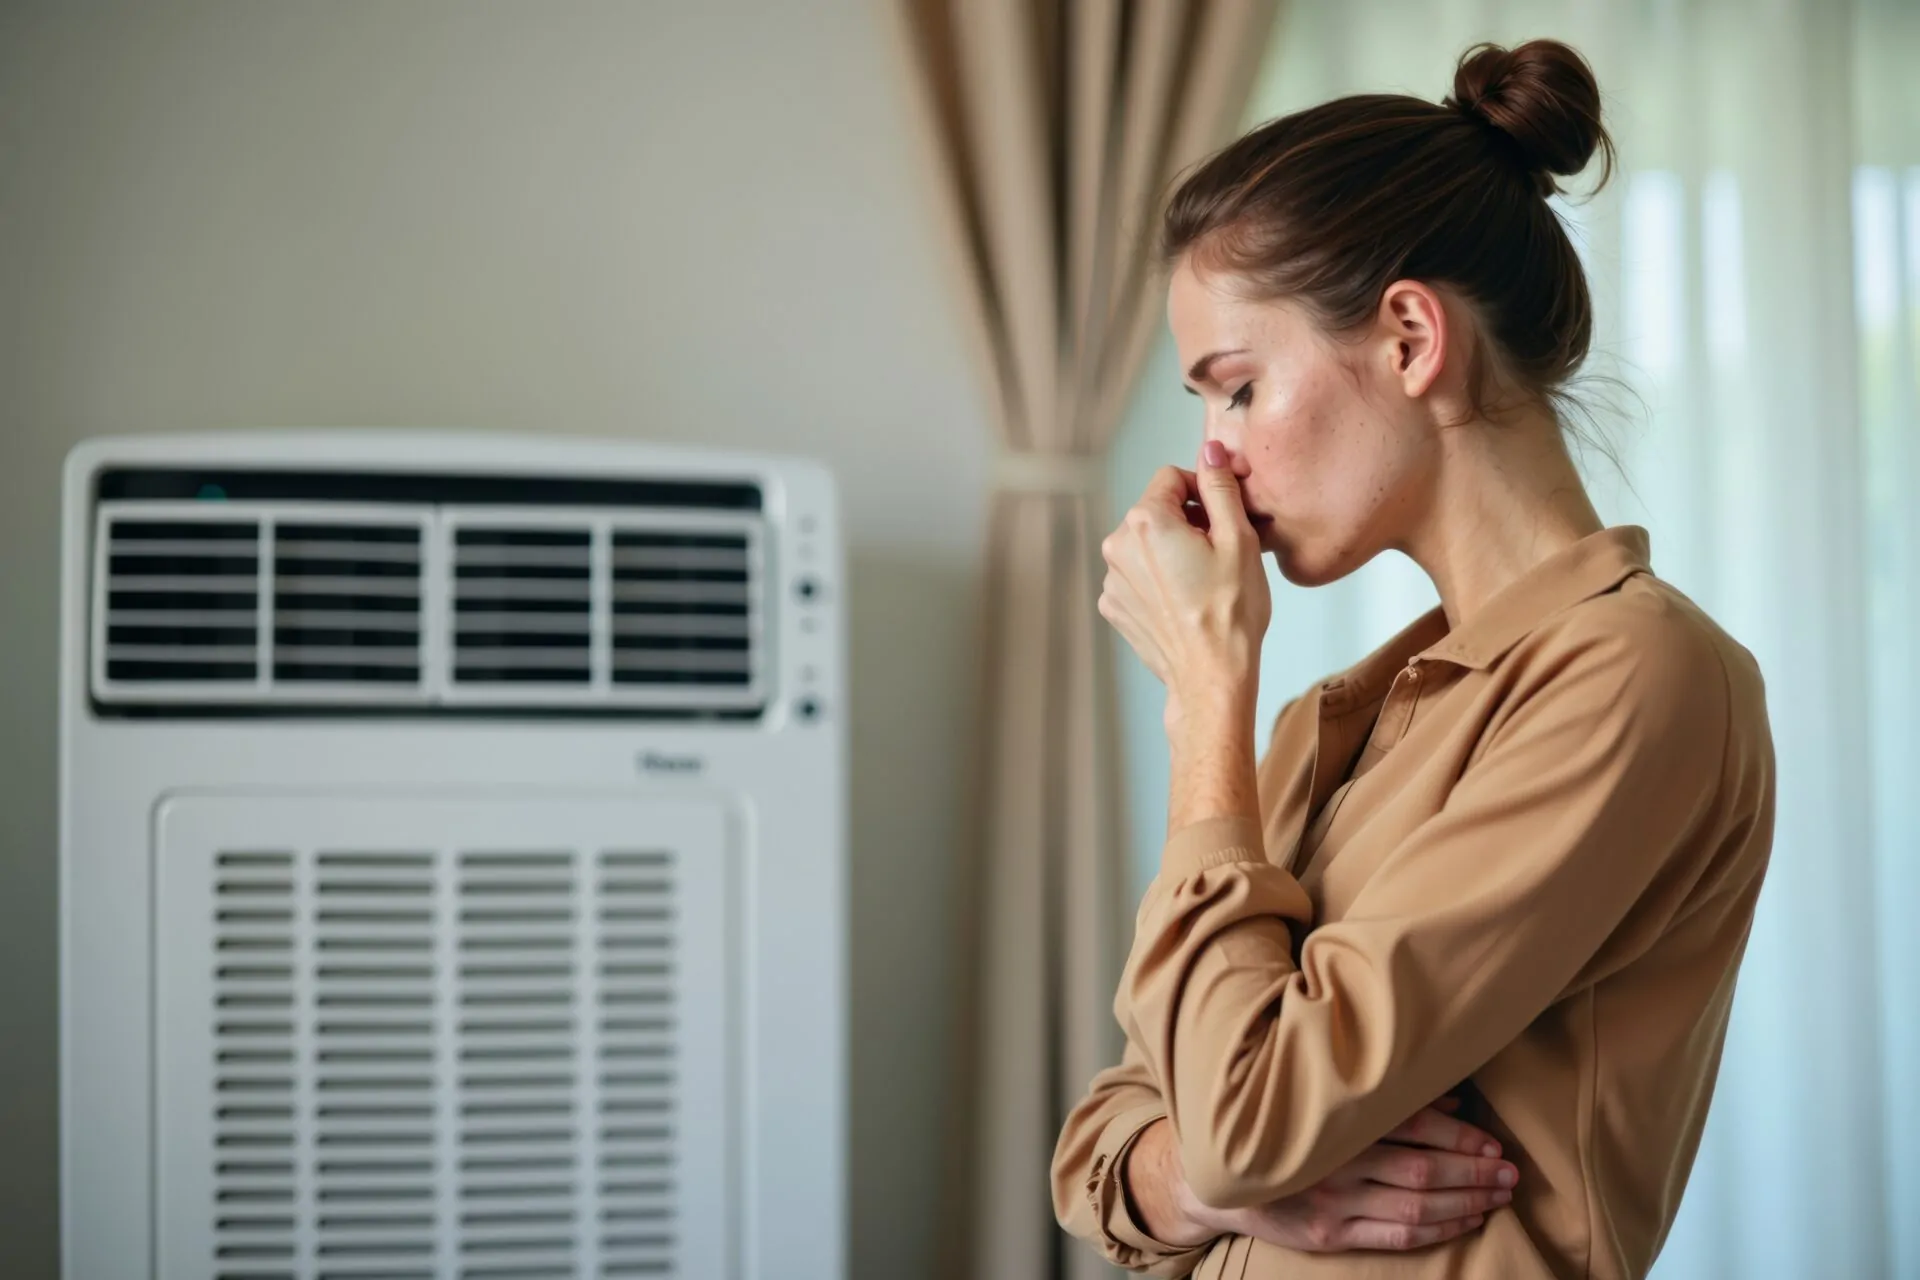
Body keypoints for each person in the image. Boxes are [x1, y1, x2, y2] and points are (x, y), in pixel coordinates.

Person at [1053, 38, 1775, 1280]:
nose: (1209, 457)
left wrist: (1207, 700)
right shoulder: (1341, 719)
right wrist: (1228, 1190)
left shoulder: (1637, 677)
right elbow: (1098, 1145)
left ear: (1406, 337)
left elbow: (1235, 1127)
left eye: (1235, 388)